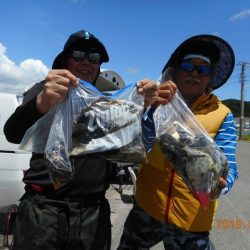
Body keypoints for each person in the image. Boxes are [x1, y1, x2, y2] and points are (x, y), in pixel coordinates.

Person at [3, 29, 175, 250]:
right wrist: (42, 101)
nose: (86, 62)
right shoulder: (46, 90)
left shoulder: (108, 104)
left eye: (94, 58)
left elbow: (131, 144)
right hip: (42, 209)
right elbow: (12, 133)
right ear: (65, 60)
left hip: (93, 213)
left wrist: (147, 106)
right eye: (78, 55)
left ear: (98, 66)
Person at [118, 34, 238, 250]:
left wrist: (220, 185)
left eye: (203, 70)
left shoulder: (223, 114)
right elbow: (140, 145)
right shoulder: (158, 102)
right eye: (188, 65)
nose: (195, 73)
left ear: (210, 77)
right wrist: (149, 107)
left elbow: (229, 164)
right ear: (176, 70)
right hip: (147, 208)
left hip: (191, 218)